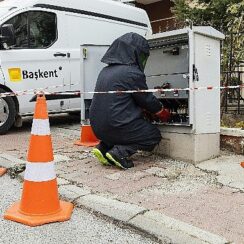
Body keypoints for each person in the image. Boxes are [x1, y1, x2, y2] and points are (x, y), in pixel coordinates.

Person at [89, 32, 170, 169]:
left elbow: (120, 100)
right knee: (153, 135)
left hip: (97, 128)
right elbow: (146, 99)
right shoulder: (131, 72)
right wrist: (161, 111)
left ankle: (103, 148)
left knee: (118, 129)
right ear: (135, 53)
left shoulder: (105, 71)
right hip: (117, 125)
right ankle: (120, 153)